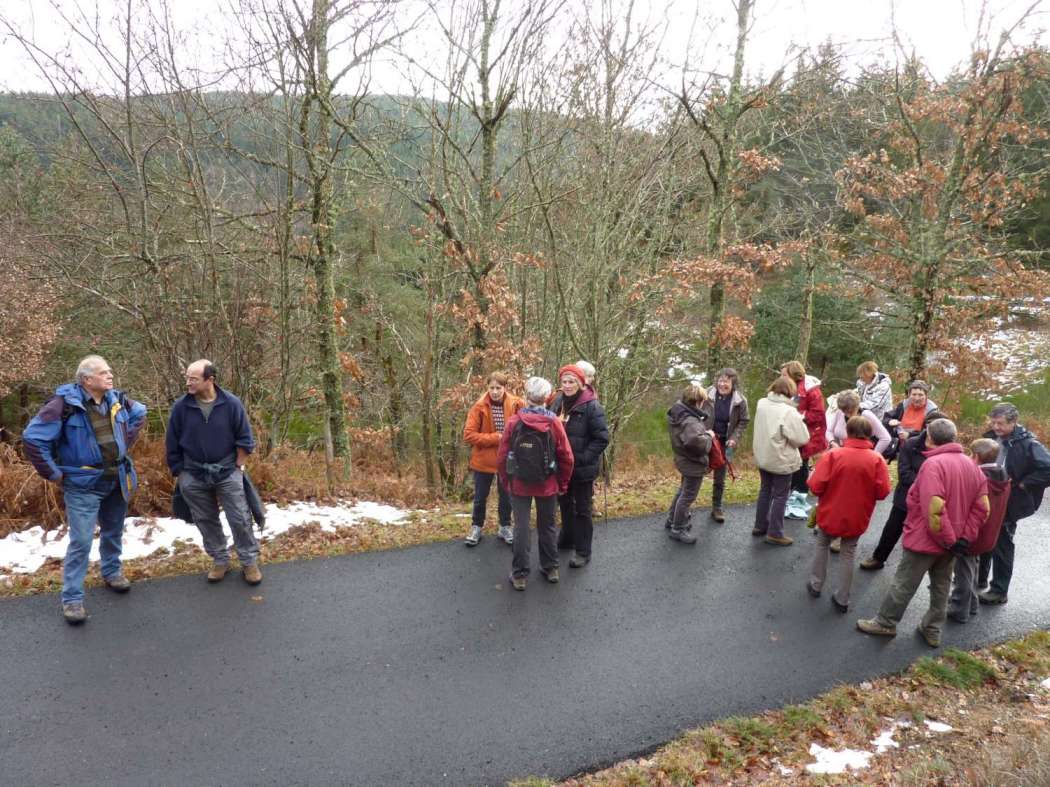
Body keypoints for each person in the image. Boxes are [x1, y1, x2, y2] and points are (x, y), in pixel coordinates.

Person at [22, 355, 148, 624]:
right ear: (87, 380)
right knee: (81, 541)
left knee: (113, 530)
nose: (110, 375)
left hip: (117, 478)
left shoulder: (117, 399)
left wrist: (124, 440)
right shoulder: (62, 405)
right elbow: (33, 438)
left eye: (110, 371)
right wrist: (53, 473)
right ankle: (72, 599)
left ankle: (112, 572)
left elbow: (140, 412)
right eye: (104, 372)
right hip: (83, 486)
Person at [856, 419, 989, 648]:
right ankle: (932, 628)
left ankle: (886, 622)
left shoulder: (932, 465)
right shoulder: (972, 467)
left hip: (927, 540)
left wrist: (949, 539)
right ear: (954, 437)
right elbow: (982, 508)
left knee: (904, 583)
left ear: (929, 438)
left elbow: (933, 509)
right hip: (954, 543)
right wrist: (963, 539)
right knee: (941, 587)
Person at [165, 359, 262, 585]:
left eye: (193, 379)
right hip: (193, 473)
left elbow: (245, 438)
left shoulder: (231, 403)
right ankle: (220, 559)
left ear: (210, 380)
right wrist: (180, 472)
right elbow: (172, 442)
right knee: (205, 519)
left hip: (227, 471)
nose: (188, 383)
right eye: (187, 378)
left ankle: (249, 561)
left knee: (239, 517)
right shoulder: (181, 407)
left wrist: (238, 466)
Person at [806, 416, 890, 612]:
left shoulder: (833, 455)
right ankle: (842, 598)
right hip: (857, 516)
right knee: (848, 552)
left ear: (848, 432)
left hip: (830, 512)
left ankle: (816, 585)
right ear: (869, 434)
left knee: (822, 544)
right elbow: (883, 492)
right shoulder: (877, 460)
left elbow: (815, 486)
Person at [497, 376, 574, 591]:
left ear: (526, 396)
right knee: (547, 526)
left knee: (521, 527)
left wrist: (506, 481)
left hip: (519, 484)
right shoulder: (554, 422)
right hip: (547, 483)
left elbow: (502, 457)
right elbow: (567, 457)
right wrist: (562, 483)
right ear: (547, 397)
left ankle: (520, 575)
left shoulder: (514, 422)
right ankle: (551, 568)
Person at [977, 403, 1050, 605]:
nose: (996, 427)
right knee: (985, 535)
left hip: (1011, 501)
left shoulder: (1029, 444)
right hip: (989, 495)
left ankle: (999, 591)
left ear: (1013, 422)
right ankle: (980, 578)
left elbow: (1048, 469)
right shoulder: (991, 437)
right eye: (993, 422)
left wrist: (1024, 484)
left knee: (1002, 542)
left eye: (1000, 423)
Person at [859, 410, 948, 571]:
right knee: (892, 529)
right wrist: (928, 485)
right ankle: (878, 558)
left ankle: (909, 569)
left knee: (919, 536)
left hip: (928, 502)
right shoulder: (912, 444)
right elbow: (904, 474)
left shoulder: (946, 450)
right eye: (930, 425)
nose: (933, 431)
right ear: (926, 426)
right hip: (905, 498)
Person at [551, 364, 610, 568]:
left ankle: (583, 551)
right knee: (565, 504)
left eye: (571, 382)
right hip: (561, 466)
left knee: (582, 509)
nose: (567, 385)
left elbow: (602, 438)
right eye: (564, 382)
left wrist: (582, 458)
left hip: (582, 468)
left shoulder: (592, 406)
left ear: (580, 383)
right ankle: (567, 538)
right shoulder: (558, 401)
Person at [947, 438, 1010, 623]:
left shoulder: (979, 478)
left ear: (975, 456)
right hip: (989, 534)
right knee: (972, 569)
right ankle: (972, 604)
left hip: (972, 534)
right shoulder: (1003, 477)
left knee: (963, 572)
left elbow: (971, 509)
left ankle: (959, 610)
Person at [462, 372, 524, 547]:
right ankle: (476, 527)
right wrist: (496, 438)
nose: (495, 392)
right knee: (480, 496)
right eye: (492, 388)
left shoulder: (517, 403)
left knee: (506, 496)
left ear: (505, 387)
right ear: (487, 387)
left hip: (507, 459)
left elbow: (525, 427)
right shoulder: (479, 406)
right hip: (484, 460)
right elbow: (468, 435)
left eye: (498, 388)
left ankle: (505, 527)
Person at [751, 375, 811, 546]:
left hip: (763, 455)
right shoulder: (789, 411)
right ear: (790, 391)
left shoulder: (762, 403)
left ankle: (760, 525)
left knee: (765, 490)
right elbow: (802, 438)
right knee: (780, 495)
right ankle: (775, 533)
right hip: (781, 458)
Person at [665, 383, 714, 544]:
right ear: (699, 401)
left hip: (683, 459)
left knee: (683, 491)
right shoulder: (690, 420)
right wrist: (709, 436)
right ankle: (678, 528)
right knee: (688, 496)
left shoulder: (678, 412)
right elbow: (696, 443)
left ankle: (672, 519)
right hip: (693, 462)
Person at [702, 368, 749, 523]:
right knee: (695, 472)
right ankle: (684, 508)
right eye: (720, 380)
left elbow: (744, 421)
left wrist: (734, 438)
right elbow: (695, 412)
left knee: (720, 478)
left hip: (724, 443)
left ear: (733, 383)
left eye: (726, 381)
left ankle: (717, 508)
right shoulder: (705, 395)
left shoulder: (740, 400)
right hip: (705, 440)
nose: (722, 384)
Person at [780, 361, 826, 520]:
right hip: (795, 432)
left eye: (784, 375)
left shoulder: (812, 390)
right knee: (794, 464)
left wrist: (798, 416)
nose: (781, 377)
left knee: (801, 466)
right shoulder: (790, 387)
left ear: (794, 374)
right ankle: (792, 498)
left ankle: (798, 501)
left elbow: (818, 414)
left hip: (809, 434)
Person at [825, 390, 891, 456]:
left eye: (851, 411)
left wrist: (873, 455)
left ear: (857, 406)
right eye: (845, 411)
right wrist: (832, 442)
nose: (848, 415)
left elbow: (886, 438)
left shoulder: (867, 415)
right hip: (843, 454)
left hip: (863, 455)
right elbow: (829, 431)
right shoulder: (839, 412)